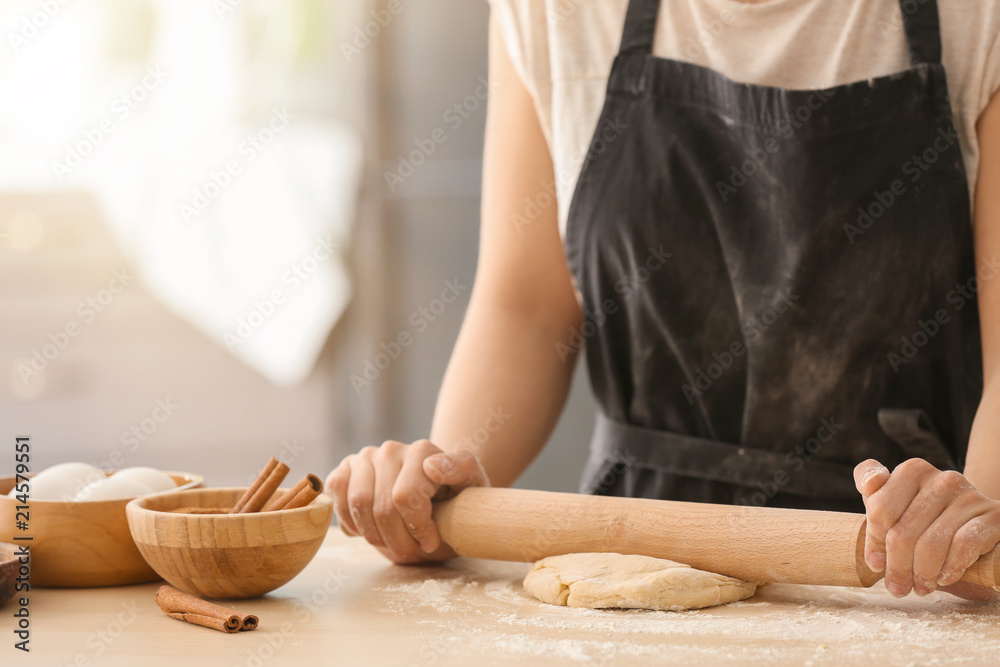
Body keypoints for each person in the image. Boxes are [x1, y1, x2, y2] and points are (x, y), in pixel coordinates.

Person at [327, 0, 1000, 601]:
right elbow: (526, 309)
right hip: (631, 552)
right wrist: (436, 494)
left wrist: (972, 525)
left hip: (898, 564)